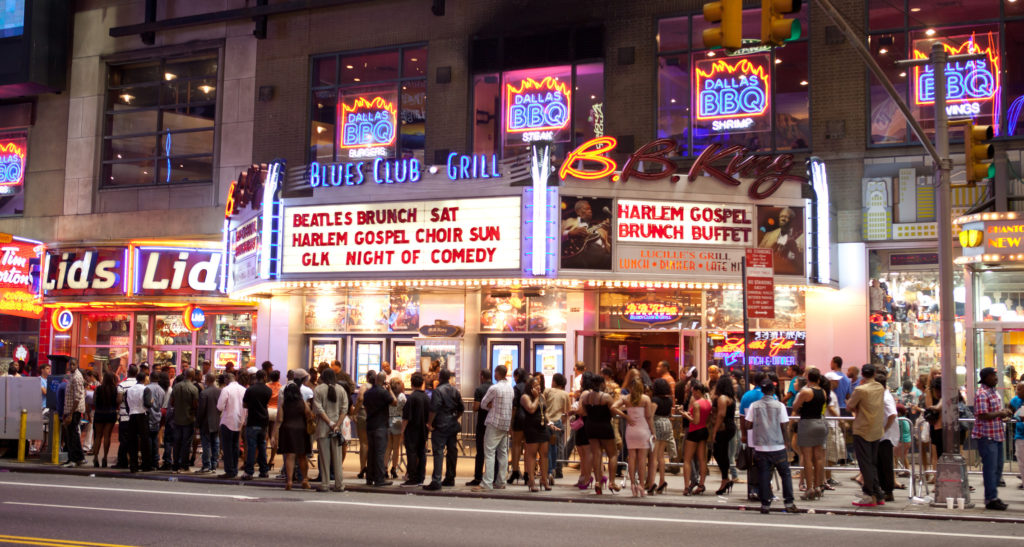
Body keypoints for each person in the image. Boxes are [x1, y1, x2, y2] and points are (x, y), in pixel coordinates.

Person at [746, 379, 798, 514]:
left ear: (762, 391)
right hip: (778, 445)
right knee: (785, 474)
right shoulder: (780, 406)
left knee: (764, 475)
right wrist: (787, 445)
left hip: (761, 446)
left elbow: (748, 425)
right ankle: (789, 502)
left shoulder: (754, 406)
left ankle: (765, 504)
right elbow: (784, 425)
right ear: (773, 390)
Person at [847, 364, 886, 507]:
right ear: (874, 373)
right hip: (876, 429)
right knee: (872, 463)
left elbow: (850, 406)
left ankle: (869, 494)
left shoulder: (860, 389)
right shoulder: (880, 387)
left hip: (863, 429)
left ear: (862, 374)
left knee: (865, 464)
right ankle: (878, 494)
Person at [581, 374, 627, 494]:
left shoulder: (586, 397)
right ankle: (611, 482)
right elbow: (613, 411)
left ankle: (597, 481)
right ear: (602, 384)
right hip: (604, 425)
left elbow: (584, 411)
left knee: (596, 453)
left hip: (590, 426)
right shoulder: (605, 397)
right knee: (612, 454)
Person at [473, 365, 515, 492]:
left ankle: (487, 482)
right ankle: (501, 481)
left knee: (489, 452)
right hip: (505, 423)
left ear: (497, 373)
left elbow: (483, 403)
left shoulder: (494, 388)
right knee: (503, 453)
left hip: (494, 422)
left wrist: (491, 406)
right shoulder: (510, 388)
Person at [975, 367, 1011, 510]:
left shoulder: (993, 392)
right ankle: (990, 499)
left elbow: (994, 412)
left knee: (997, 467)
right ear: (985, 378)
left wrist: (1003, 413)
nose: (995, 378)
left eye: (995, 375)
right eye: (992, 375)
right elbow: (982, 415)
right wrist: (1000, 413)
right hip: (986, 436)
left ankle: (993, 496)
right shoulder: (982, 394)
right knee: (990, 469)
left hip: (996, 434)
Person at [792, 367, 827, 501]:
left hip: (807, 424)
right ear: (818, 378)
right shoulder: (823, 392)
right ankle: (818, 486)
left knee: (807, 457)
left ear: (808, 378)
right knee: (818, 457)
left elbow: (795, 406)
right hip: (820, 423)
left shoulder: (805, 391)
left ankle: (810, 488)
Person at [424, 368, 463, 490]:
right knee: (452, 452)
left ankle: (436, 480)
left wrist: (429, 423)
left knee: (438, 452)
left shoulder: (438, 391)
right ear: (449, 378)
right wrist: (455, 417)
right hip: (452, 425)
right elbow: (461, 407)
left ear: (440, 377)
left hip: (440, 425)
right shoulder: (454, 390)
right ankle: (450, 478)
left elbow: (434, 408)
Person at [313, 368, 347, 492]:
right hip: (337, 429)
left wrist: (329, 423)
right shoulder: (341, 390)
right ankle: (339, 484)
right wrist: (337, 424)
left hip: (323, 427)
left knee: (324, 458)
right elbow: (344, 409)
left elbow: (318, 409)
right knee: (337, 458)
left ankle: (325, 484)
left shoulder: (318, 390)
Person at [272, 382, 312, 490]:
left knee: (290, 456)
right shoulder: (302, 403)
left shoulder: (284, 404)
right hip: (301, 431)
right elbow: (309, 415)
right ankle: (305, 479)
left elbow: (279, 420)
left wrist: (274, 435)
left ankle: (289, 481)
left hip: (287, 430)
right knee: (302, 456)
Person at [363, 370, 395, 487]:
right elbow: (394, 402)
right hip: (381, 426)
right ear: (384, 381)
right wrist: (390, 390)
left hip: (370, 425)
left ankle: (369, 478)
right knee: (380, 453)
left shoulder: (367, 393)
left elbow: (366, 408)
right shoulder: (384, 392)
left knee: (371, 452)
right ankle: (379, 478)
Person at [622, 373, 653, 498]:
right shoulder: (646, 399)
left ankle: (633, 485)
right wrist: (653, 432)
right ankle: (641, 484)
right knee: (642, 460)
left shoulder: (626, 398)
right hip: (643, 430)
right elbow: (649, 417)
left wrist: (625, 416)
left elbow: (613, 406)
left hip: (631, 430)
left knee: (631, 458)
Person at [520, 375, 550, 492]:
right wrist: (537, 398)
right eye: (535, 386)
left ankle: (544, 479)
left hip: (543, 428)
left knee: (544, 455)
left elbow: (545, 410)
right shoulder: (525, 397)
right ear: (530, 387)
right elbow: (531, 409)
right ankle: (531, 480)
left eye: (539, 385)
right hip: (531, 428)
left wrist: (549, 421)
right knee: (531, 455)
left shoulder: (542, 396)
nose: (538, 387)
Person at [561, 198, 611, 269]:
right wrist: (570, 233)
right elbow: (553, 235)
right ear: (578, 212)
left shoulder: (599, 229)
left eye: (590, 209)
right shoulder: (568, 222)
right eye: (587, 209)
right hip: (577, 260)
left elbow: (607, 246)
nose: (590, 211)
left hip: (600, 262)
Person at [680, 380, 710, 495]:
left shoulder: (697, 404)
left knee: (687, 459)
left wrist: (685, 414)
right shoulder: (707, 403)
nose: (692, 394)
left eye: (693, 392)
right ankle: (701, 484)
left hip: (694, 431)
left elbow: (695, 421)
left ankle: (687, 487)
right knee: (702, 459)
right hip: (704, 430)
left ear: (698, 391)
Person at [709, 374, 737, 496]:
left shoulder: (722, 398)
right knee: (722, 452)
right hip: (730, 426)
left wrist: (714, 431)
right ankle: (725, 478)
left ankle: (725, 479)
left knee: (718, 452)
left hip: (723, 427)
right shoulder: (731, 398)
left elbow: (721, 415)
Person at [241, 369, 272, 480]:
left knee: (251, 447)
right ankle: (264, 471)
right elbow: (266, 403)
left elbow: (244, 405)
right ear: (264, 377)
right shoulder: (268, 390)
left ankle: (249, 471)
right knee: (262, 446)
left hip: (252, 420)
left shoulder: (250, 390)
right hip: (263, 421)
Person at [401, 372, 430, 487]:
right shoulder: (427, 397)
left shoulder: (412, 398)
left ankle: (412, 477)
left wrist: (402, 431)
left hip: (412, 431)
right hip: (423, 430)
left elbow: (406, 417)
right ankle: (420, 477)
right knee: (422, 453)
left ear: (412, 384)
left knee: (412, 454)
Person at [647, 378, 674, 495]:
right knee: (661, 456)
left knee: (653, 456)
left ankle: (652, 482)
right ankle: (662, 480)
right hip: (667, 424)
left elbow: (650, 416)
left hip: (657, 424)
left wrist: (651, 431)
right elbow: (670, 414)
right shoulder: (669, 400)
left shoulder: (655, 400)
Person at [758, 206, 804, 274]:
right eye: (781, 216)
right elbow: (758, 256)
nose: (783, 219)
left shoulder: (803, 237)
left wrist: (795, 251)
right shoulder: (768, 235)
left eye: (786, 217)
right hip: (768, 273)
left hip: (790, 275)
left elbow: (803, 264)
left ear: (793, 220)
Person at [216, 373, 246, 479]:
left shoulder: (226, 389)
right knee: (235, 446)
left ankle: (229, 470)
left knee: (227, 447)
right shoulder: (243, 389)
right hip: (239, 421)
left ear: (227, 379)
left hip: (227, 421)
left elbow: (220, 406)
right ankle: (234, 469)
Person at [169, 369, 199, 473]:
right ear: (193, 375)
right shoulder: (193, 388)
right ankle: (184, 466)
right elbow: (195, 405)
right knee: (186, 443)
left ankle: (175, 465)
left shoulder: (176, 386)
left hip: (177, 418)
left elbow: (171, 402)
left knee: (176, 442)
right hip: (188, 419)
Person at [876, 369, 899, 502]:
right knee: (881, 463)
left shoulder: (885, 398)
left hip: (886, 436)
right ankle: (883, 489)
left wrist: (884, 429)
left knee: (885, 463)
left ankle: (888, 491)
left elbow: (892, 414)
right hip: (883, 435)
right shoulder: (883, 396)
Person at [467, 368, 493, 487]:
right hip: (493, 423)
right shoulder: (495, 388)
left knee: (480, 451)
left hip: (482, 423)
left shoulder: (479, 389)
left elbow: (475, 407)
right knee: (493, 451)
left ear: (482, 376)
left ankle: (478, 477)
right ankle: (491, 476)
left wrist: (478, 406)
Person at [60, 360, 87, 468]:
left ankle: (73, 459)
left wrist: (70, 414)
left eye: (73, 364)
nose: (71, 366)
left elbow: (77, 397)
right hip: (71, 409)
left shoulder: (77, 377)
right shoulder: (72, 376)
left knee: (71, 435)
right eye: (70, 364)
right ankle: (79, 458)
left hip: (74, 410)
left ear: (77, 365)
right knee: (73, 434)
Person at [544, 372, 570, 482]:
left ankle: (549, 471)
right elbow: (567, 411)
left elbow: (543, 406)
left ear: (554, 381)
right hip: (558, 422)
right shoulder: (565, 394)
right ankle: (556, 468)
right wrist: (562, 422)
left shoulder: (547, 391)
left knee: (547, 447)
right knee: (556, 446)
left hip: (547, 421)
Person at [113, 364, 139, 469]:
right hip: (136, 416)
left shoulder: (122, 385)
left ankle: (122, 461)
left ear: (128, 372)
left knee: (123, 440)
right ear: (136, 373)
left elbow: (118, 400)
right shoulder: (140, 384)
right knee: (134, 440)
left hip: (124, 416)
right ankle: (133, 461)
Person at [125, 371, 152, 473]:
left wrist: (131, 411)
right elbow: (147, 404)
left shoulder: (129, 390)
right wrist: (151, 402)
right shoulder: (146, 389)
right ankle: (146, 465)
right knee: (144, 441)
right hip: (142, 415)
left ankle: (133, 465)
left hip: (132, 416)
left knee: (132, 442)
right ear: (144, 379)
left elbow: (127, 405)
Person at [91, 371, 118, 468]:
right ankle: (105, 458)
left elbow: (93, 402)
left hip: (99, 413)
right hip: (110, 414)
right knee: (107, 436)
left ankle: (95, 457)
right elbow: (117, 402)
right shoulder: (115, 389)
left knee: (98, 436)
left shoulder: (98, 389)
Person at [196, 373, 221, 474]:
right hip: (216, 420)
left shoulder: (204, 393)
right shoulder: (220, 392)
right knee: (215, 443)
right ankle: (214, 465)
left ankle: (206, 465)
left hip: (206, 422)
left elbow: (201, 410)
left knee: (206, 444)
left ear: (207, 380)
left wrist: (197, 423)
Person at [385, 377, 406, 480]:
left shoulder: (388, 395)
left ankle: (384, 468)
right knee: (396, 447)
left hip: (388, 419)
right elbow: (402, 406)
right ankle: (393, 468)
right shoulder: (401, 396)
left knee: (388, 447)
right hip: (398, 420)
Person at [509, 368, 527, 484]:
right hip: (530, 419)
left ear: (517, 376)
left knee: (516, 445)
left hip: (519, 418)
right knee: (528, 447)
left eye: (514, 376)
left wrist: (511, 423)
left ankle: (515, 471)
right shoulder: (529, 386)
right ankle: (527, 473)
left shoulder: (516, 388)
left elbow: (514, 407)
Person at [352, 372, 372, 480]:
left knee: (364, 443)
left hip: (364, 414)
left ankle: (362, 468)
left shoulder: (364, 387)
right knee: (373, 444)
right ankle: (371, 468)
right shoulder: (379, 387)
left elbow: (360, 399)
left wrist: (355, 412)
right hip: (375, 416)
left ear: (367, 378)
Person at [1009, 383, 1024, 490]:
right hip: (1020, 436)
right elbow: (1009, 408)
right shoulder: (1015, 400)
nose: (1017, 391)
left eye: (1019, 389)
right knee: (1022, 463)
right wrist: (1010, 414)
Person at [267, 369, 282, 469]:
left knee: (265, 436)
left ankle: (263, 458)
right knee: (275, 437)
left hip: (267, 410)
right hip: (276, 411)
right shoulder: (281, 387)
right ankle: (272, 459)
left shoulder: (267, 386)